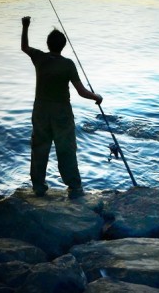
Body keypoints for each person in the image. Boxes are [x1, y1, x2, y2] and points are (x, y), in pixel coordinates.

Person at [21, 15, 103, 198]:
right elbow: (81, 92)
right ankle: (74, 187)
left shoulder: (39, 58)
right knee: (66, 149)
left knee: (39, 149)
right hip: (62, 113)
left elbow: (24, 47)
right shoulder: (68, 64)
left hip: (41, 111)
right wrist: (96, 97)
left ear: (48, 44)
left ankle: (38, 187)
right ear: (63, 45)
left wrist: (25, 26)